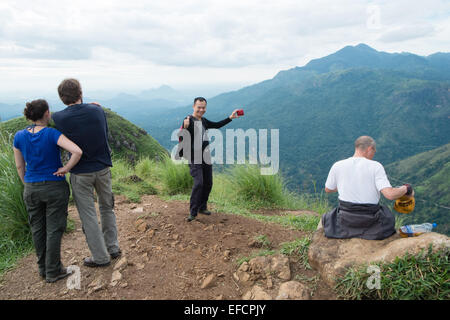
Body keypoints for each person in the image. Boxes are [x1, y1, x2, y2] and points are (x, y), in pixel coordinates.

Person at [52, 78, 121, 267]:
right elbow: (103, 130)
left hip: (80, 172)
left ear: (62, 98)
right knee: (107, 207)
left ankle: (100, 257)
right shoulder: (97, 110)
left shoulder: (59, 118)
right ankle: (113, 247)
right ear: (80, 93)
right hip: (103, 168)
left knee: (88, 214)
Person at [13, 99, 82, 283]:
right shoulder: (52, 134)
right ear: (46, 114)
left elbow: (20, 166)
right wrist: (65, 168)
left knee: (37, 229)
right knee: (54, 229)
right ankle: (53, 270)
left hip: (31, 188)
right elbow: (77, 151)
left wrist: (28, 183)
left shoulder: (19, 136)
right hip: (54, 187)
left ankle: (43, 268)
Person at [320, 136, 414, 240]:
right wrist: (406, 188)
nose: (374, 154)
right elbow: (390, 195)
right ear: (369, 149)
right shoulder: (376, 166)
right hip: (371, 220)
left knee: (329, 217)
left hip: (346, 219)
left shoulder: (338, 165)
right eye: (374, 151)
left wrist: (343, 185)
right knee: (388, 216)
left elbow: (328, 189)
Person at [179, 97, 241, 222]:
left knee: (208, 183)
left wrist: (230, 118)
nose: (201, 110)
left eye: (203, 107)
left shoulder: (203, 121)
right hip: (194, 157)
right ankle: (193, 212)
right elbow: (181, 138)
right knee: (199, 183)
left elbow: (216, 125)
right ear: (193, 107)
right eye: (199, 107)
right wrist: (185, 128)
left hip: (205, 156)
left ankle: (202, 207)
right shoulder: (188, 120)